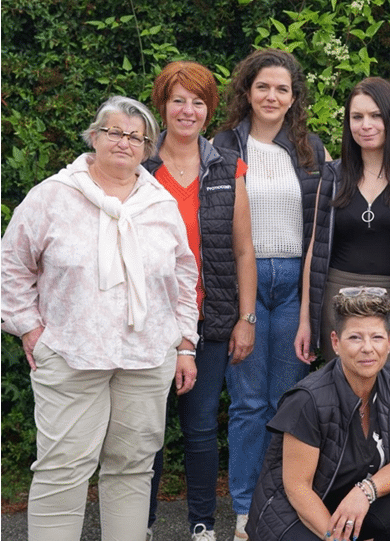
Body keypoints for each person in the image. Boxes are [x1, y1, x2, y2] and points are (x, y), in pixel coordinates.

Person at [1, 96, 198, 541]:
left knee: (131, 468)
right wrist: (29, 327)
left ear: (148, 147)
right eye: (114, 132)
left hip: (146, 358)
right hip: (72, 354)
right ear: (95, 136)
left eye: (135, 136)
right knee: (62, 468)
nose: (124, 142)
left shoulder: (160, 204)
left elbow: (184, 278)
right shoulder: (52, 196)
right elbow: (11, 266)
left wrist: (185, 343)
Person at [213, 48, 329, 541]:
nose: (272, 96)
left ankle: (281, 503)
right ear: (247, 90)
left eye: (282, 88)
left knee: (289, 401)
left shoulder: (311, 148)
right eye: (263, 86)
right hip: (248, 280)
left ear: (294, 97)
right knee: (247, 404)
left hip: (294, 283)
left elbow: (322, 226)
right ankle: (244, 508)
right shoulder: (221, 146)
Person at [144, 61, 256, 541]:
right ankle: (140, 524)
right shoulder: (140, 167)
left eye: (198, 101)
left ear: (209, 110)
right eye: (178, 100)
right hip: (146, 321)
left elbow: (243, 248)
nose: (187, 110)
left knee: (201, 429)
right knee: (144, 431)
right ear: (162, 106)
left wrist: (246, 317)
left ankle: (202, 525)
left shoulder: (226, 167)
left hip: (210, 320)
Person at [295, 77, 390, 383]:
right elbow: (315, 249)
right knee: (344, 399)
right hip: (338, 302)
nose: (366, 125)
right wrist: (306, 320)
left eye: (375, 116)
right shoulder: (333, 175)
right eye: (357, 117)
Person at [247, 288, 390, 541]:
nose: (368, 348)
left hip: (354, 501)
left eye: (377, 337)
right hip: (297, 511)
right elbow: (297, 489)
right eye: (355, 338)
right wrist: (338, 539)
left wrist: (365, 491)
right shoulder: (307, 399)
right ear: (336, 342)